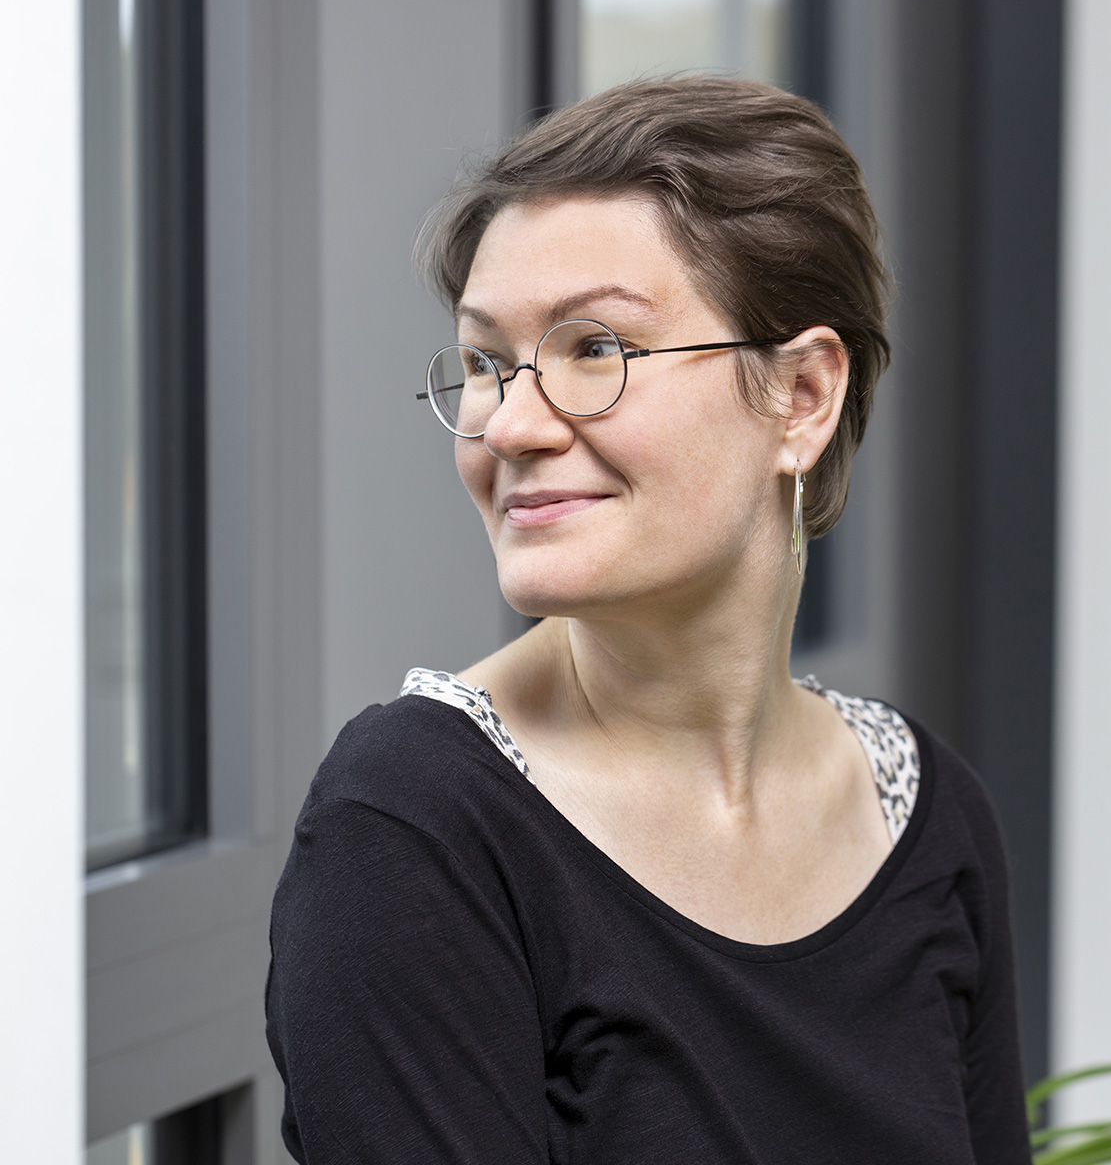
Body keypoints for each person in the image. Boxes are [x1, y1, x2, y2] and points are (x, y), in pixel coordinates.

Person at [265, 76, 1031, 1164]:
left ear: (802, 397)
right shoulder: (411, 827)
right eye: (488, 363)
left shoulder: (927, 815)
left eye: (596, 349)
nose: (510, 425)